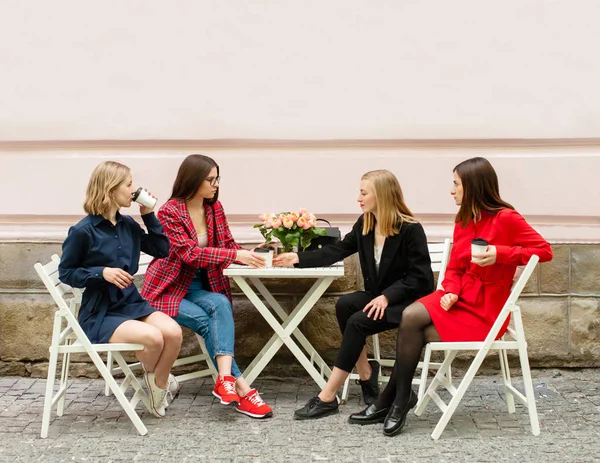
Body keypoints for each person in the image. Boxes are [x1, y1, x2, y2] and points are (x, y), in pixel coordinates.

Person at [348, 157, 554, 437]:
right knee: (412, 317)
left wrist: (501, 253)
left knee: (413, 325)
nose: (452, 190)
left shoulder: (506, 218)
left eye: (456, 184)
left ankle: (394, 400)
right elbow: (456, 266)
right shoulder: (465, 220)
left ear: (473, 186)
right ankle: (399, 399)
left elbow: (544, 251)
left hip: (487, 310)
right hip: (459, 298)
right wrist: (453, 290)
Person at [273, 169, 434, 420]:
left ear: (381, 195)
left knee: (358, 321)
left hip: (409, 305)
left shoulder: (410, 229)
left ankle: (327, 396)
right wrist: (297, 258)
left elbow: (421, 278)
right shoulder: (366, 224)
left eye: (363, 192)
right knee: (346, 305)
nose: (358, 198)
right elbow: (338, 250)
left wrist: (388, 296)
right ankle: (367, 374)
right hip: (379, 297)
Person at [141, 154, 274, 419]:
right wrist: (234, 256)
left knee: (221, 304)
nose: (215, 185)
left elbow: (227, 245)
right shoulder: (170, 211)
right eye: (210, 179)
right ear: (192, 180)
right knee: (208, 322)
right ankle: (245, 391)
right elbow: (188, 254)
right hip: (168, 289)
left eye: (217, 179)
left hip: (200, 285)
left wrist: (254, 255)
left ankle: (224, 380)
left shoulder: (215, 208)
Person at [58, 161, 182, 418]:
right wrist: (101, 272)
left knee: (173, 331)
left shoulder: (128, 226)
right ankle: (159, 386)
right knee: (154, 338)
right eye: (128, 184)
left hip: (130, 302)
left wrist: (149, 215)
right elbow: (66, 273)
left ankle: (155, 383)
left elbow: (162, 250)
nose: (133, 189)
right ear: (110, 189)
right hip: (100, 311)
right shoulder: (83, 231)